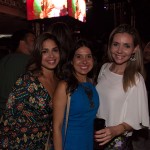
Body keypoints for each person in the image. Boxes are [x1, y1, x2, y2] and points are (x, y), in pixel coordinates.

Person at [0, 33, 62, 149]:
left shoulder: (60, 81)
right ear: (38, 54)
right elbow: (8, 119)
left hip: (45, 143)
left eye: (55, 50)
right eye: (45, 51)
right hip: (21, 143)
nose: (51, 56)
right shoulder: (27, 81)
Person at [95, 24, 150, 149]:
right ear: (110, 46)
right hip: (96, 136)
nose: (120, 50)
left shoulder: (136, 79)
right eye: (116, 44)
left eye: (126, 46)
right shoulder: (104, 68)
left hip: (117, 143)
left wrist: (115, 130)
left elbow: (138, 119)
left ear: (134, 49)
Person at [53, 39, 99, 150]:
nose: (84, 61)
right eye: (79, 57)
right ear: (71, 61)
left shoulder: (91, 83)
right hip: (70, 145)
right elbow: (57, 127)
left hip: (89, 144)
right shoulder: (64, 86)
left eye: (88, 56)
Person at [0, 29, 35, 116]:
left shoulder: (4, 59)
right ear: (22, 42)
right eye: (33, 40)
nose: (37, 43)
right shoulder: (29, 62)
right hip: (16, 115)